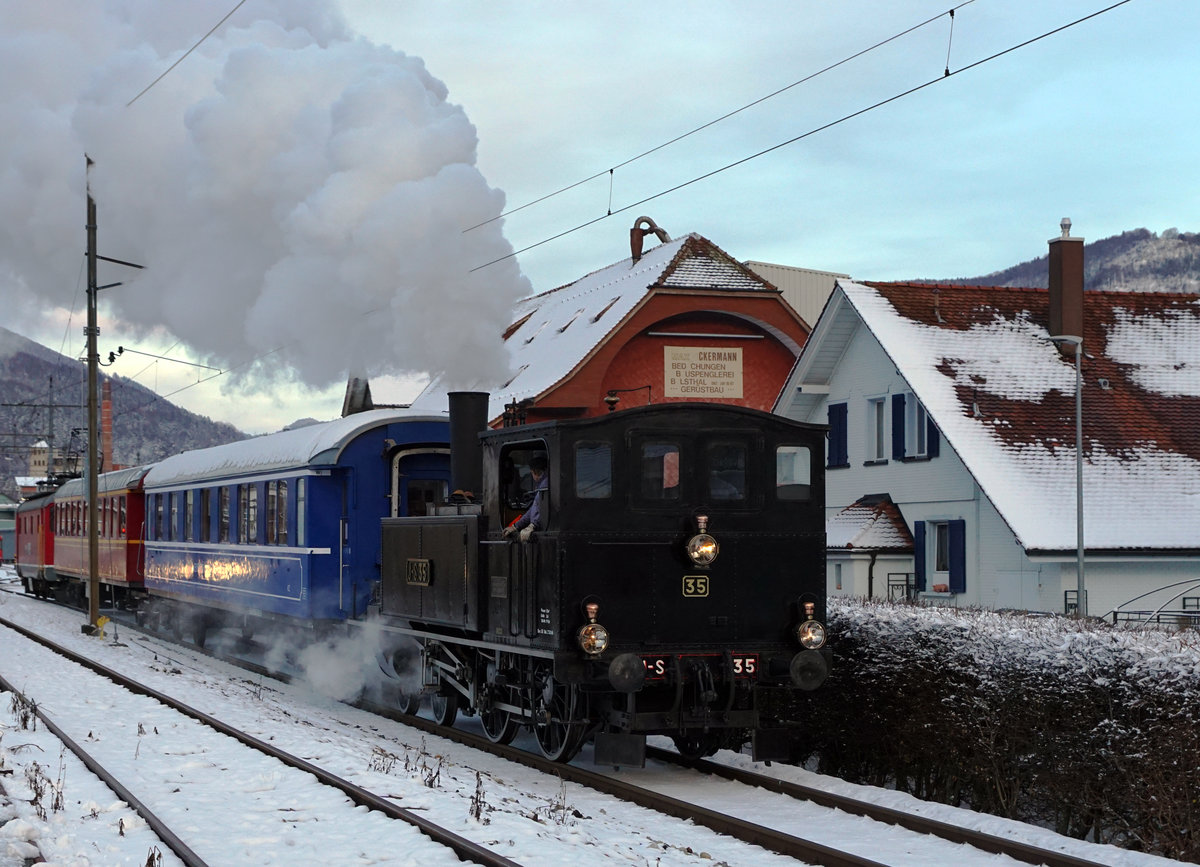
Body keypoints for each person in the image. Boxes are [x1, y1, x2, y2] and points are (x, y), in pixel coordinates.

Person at [503, 453, 548, 542]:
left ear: (534, 472)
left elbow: (544, 510)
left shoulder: (545, 485)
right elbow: (533, 510)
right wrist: (515, 526)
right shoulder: (542, 486)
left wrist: (533, 525)